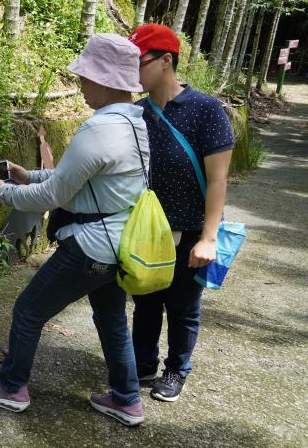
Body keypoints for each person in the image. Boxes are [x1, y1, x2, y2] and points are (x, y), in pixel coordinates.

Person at [0, 33, 150, 426]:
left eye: (85, 77)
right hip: (121, 244)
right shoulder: (136, 125)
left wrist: (4, 191)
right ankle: (126, 398)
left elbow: (53, 196)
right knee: (112, 321)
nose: (81, 84)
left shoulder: (98, 130)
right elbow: (84, 179)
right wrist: (28, 174)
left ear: (106, 81)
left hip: (89, 247)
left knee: (27, 311)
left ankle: (12, 387)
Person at [128, 24, 235, 402]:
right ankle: (142, 363)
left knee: (183, 305)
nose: (132, 71)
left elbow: (218, 180)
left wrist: (208, 238)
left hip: (191, 229)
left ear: (166, 61)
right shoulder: (136, 113)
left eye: (138, 62)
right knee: (145, 300)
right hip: (147, 229)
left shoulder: (206, 110)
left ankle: (176, 369)